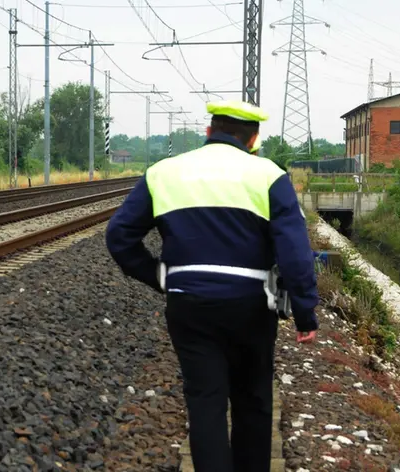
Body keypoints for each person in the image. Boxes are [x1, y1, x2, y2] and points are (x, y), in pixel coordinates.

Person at [105, 100, 319, 472]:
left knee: (205, 401)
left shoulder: (164, 172)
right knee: (253, 400)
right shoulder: (268, 175)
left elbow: (119, 236)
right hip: (251, 306)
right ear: (253, 139)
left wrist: (158, 276)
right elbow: (295, 253)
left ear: (209, 132)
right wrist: (304, 313)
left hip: (190, 306)